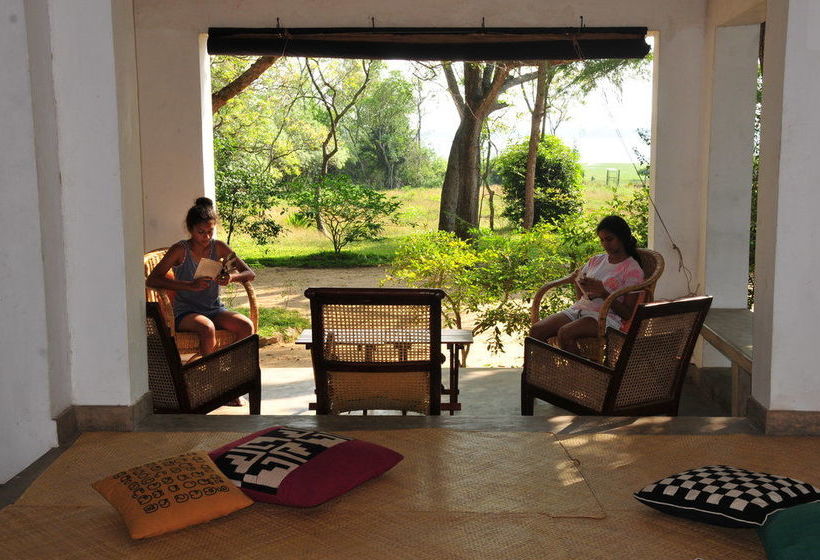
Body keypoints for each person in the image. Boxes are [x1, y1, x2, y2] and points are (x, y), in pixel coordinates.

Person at [146, 197, 255, 358]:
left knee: (246, 325)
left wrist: (230, 278)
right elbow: (153, 279)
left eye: (210, 231)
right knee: (207, 328)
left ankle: (235, 367)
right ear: (190, 230)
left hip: (214, 309)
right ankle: (210, 370)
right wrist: (189, 285)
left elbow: (249, 274)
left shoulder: (218, 247)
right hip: (185, 313)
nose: (206, 237)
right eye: (201, 232)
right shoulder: (180, 250)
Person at [530, 215, 645, 354]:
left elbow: (627, 314)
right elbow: (580, 288)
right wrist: (581, 285)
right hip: (579, 310)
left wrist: (604, 294)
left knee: (565, 333)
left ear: (623, 237)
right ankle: (544, 367)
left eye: (609, 239)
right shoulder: (596, 260)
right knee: (537, 330)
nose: (605, 244)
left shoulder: (632, 269)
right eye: (602, 240)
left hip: (606, 317)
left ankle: (579, 368)